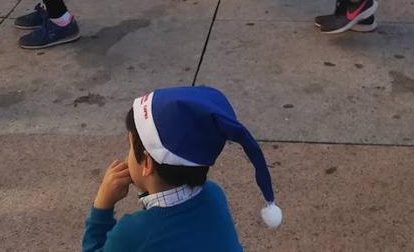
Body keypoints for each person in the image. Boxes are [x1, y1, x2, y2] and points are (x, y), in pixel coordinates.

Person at [82, 86, 280, 250]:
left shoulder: (134, 234)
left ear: (147, 163)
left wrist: (103, 204)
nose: (126, 157)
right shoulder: (214, 194)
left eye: (130, 148)